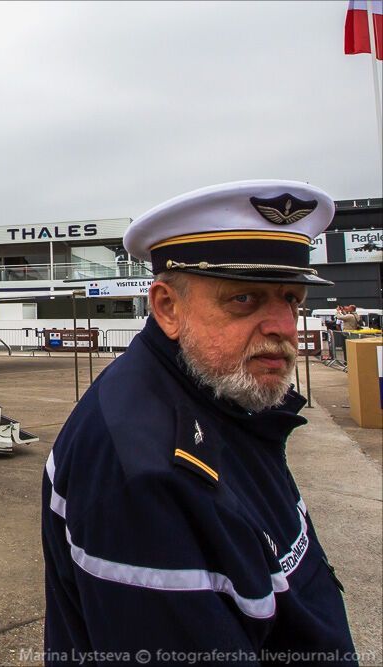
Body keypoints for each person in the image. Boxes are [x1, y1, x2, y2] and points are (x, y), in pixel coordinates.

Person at [42, 181, 356, 663]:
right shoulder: (147, 475)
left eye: (291, 298)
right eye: (244, 300)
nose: (284, 328)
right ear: (167, 307)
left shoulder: (224, 394)